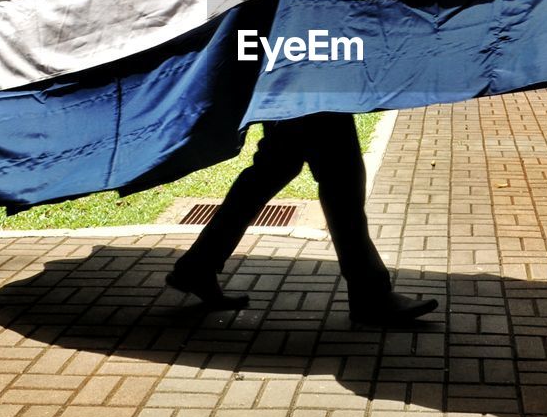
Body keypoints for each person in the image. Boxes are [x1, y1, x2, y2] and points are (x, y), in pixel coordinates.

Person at [165, 112, 439, 326]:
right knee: (341, 176)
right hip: (307, 77)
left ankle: (197, 266)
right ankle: (371, 295)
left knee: (276, 168)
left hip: (294, 72)